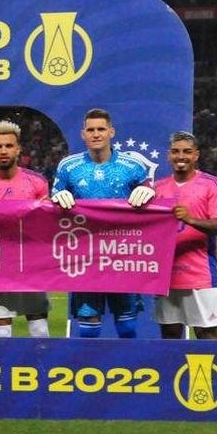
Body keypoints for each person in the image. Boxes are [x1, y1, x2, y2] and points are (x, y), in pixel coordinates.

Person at [51, 108, 157, 338]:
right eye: (91, 129)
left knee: (127, 326)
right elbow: (53, 197)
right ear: (83, 134)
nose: (96, 134)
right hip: (84, 254)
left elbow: (151, 196)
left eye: (101, 129)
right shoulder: (68, 166)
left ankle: (128, 370)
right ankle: (89, 372)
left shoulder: (133, 166)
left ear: (111, 132)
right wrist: (57, 197)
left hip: (122, 254)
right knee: (89, 326)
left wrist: (148, 191)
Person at [0, 120, 52, 338]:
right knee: (1, 330)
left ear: (18, 149)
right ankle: (3, 370)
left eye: (9, 145)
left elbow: (46, 225)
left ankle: (41, 370)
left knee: (39, 329)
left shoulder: (37, 183)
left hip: (32, 263)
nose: (4, 151)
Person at [153, 131, 217, 339]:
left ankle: (206, 374)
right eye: (176, 152)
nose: (181, 157)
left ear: (196, 155)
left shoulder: (213, 184)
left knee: (206, 334)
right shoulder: (157, 188)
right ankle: (173, 373)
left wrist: (190, 219)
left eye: (187, 151)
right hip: (166, 277)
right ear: (169, 155)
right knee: (169, 334)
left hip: (201, 275)